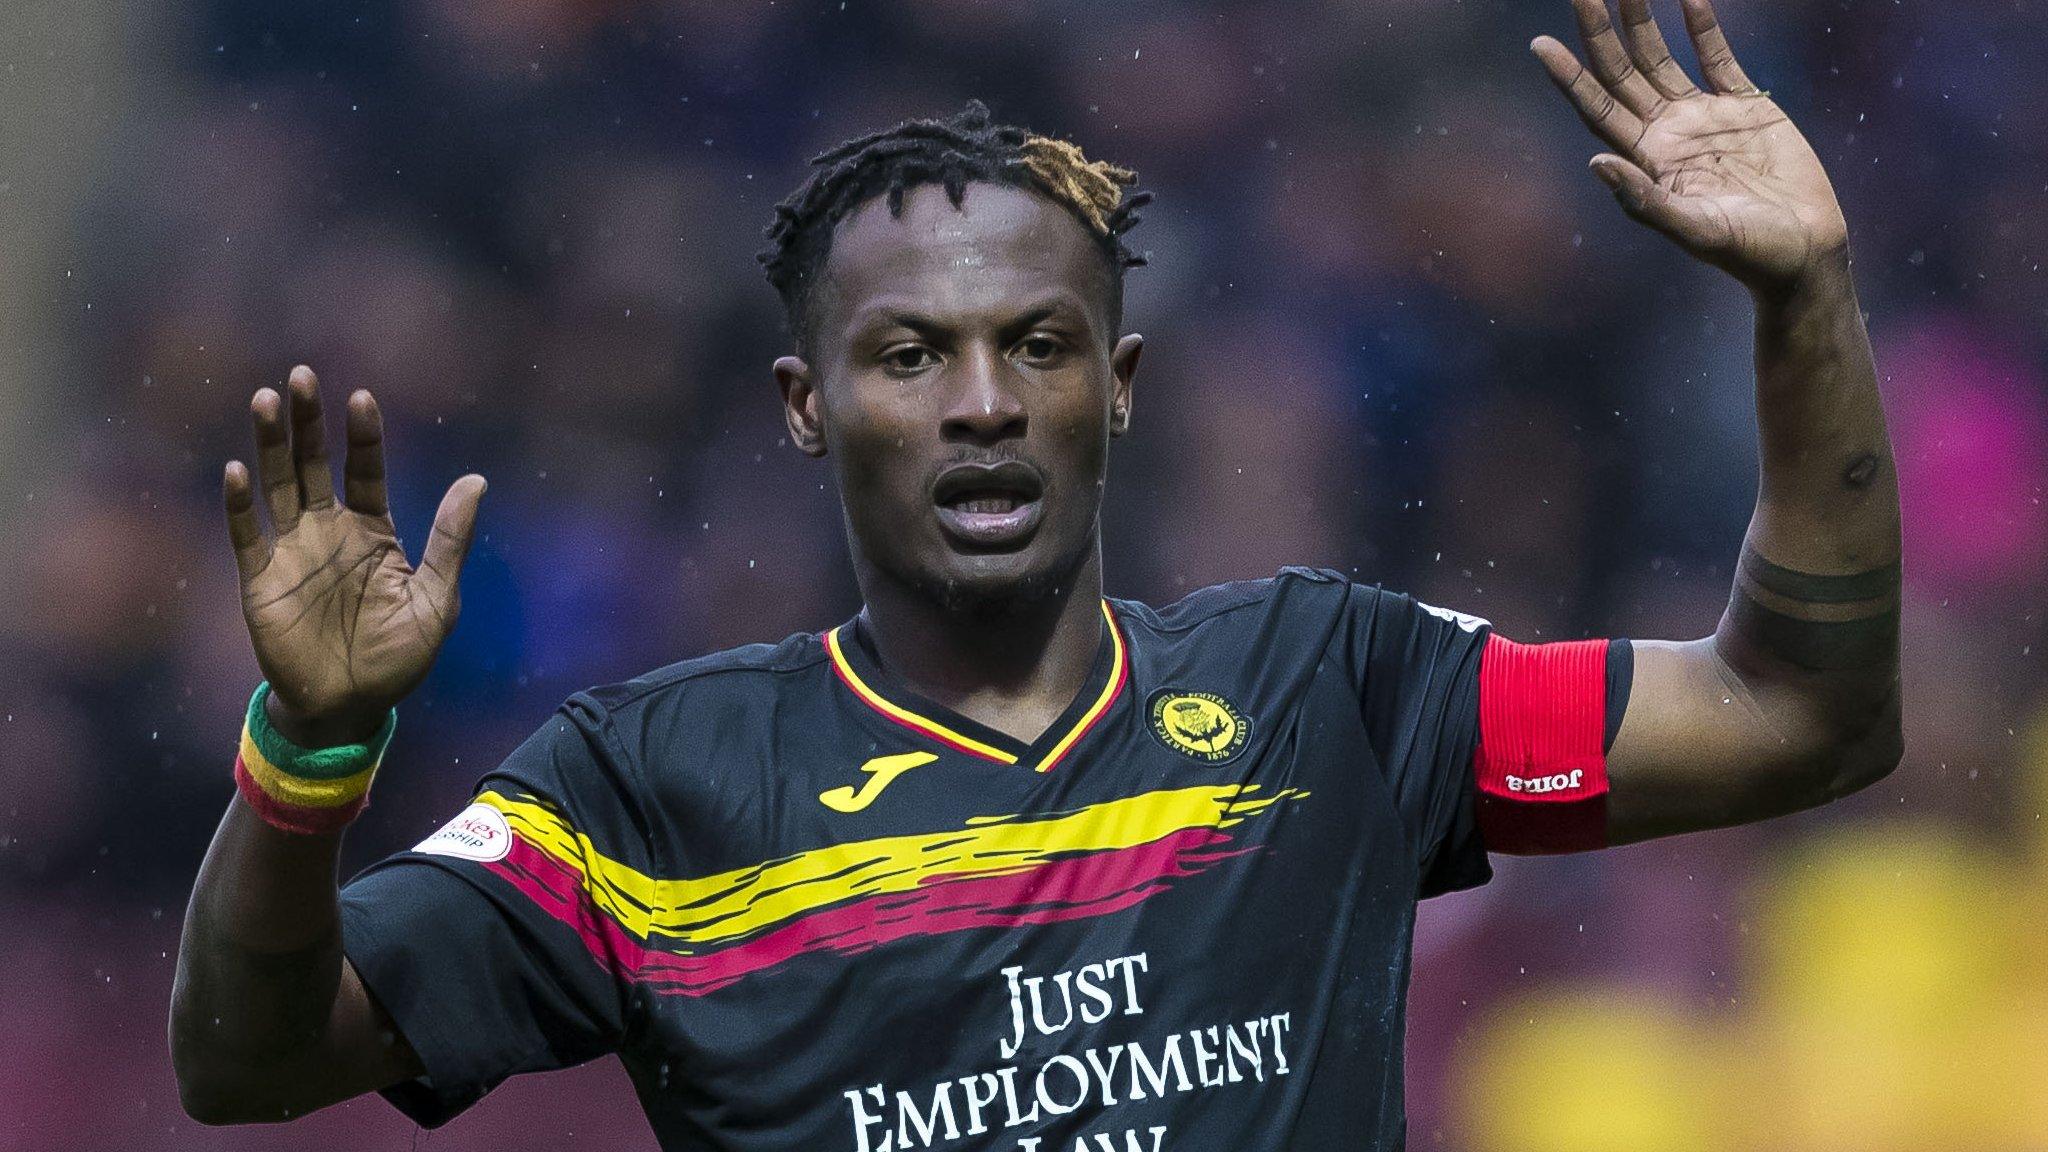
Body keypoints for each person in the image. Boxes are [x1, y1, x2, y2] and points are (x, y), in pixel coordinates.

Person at [169, 1, 1902, 1147]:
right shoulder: (639, 794)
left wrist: (1805, 301)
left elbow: (1796, 717)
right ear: (804, 406)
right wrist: (309, 757)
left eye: (1041, 345)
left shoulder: (1339, 688)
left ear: (1119, 389)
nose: (985, 403)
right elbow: (246, 1062)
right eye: (910, 354)